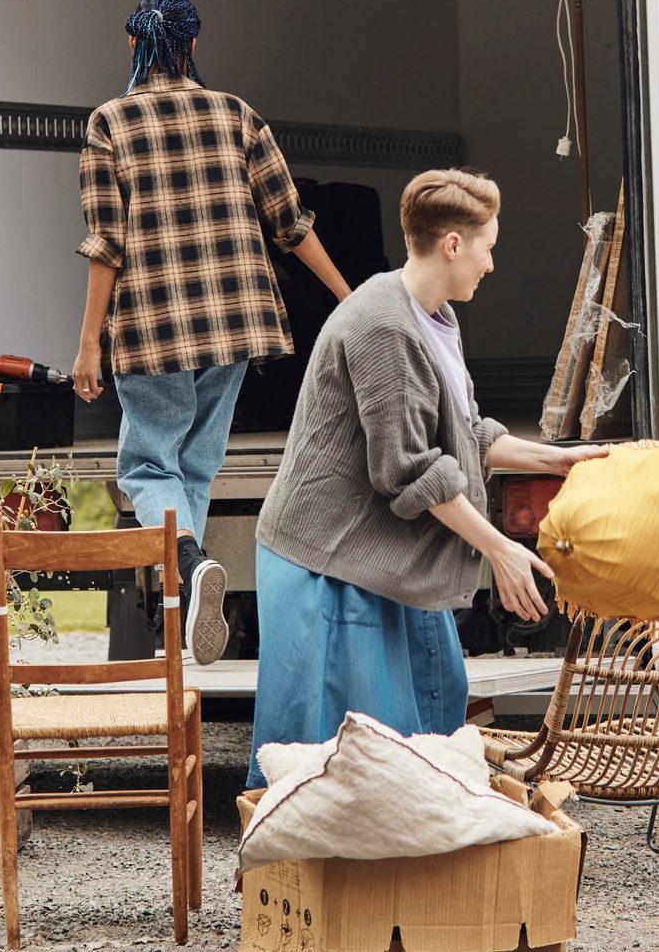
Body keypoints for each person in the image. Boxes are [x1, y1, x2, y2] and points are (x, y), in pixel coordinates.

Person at [247, 169, 603, 786]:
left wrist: (557, 459)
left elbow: (462, 433)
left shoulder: (433, 315)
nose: (492, 264)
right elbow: (408, 470)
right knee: (343, 770)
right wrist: (498, 549)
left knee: (430, 726)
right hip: (328, 565)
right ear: (453, 245)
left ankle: (412, 876)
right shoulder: (384, 326)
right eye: (488, 247)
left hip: (383, 559)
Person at [72, 0, 352, 666]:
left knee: (147, 465)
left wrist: (88, 343)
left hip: (151, 327)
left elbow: (106, 243)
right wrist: (351, 297)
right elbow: (290, 224)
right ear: (192, 46)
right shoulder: (236, 114)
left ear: (134, 46)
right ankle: (187, 585)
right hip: (235, 319)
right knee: (195, 463)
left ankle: (190, 562)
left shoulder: (110, 122)